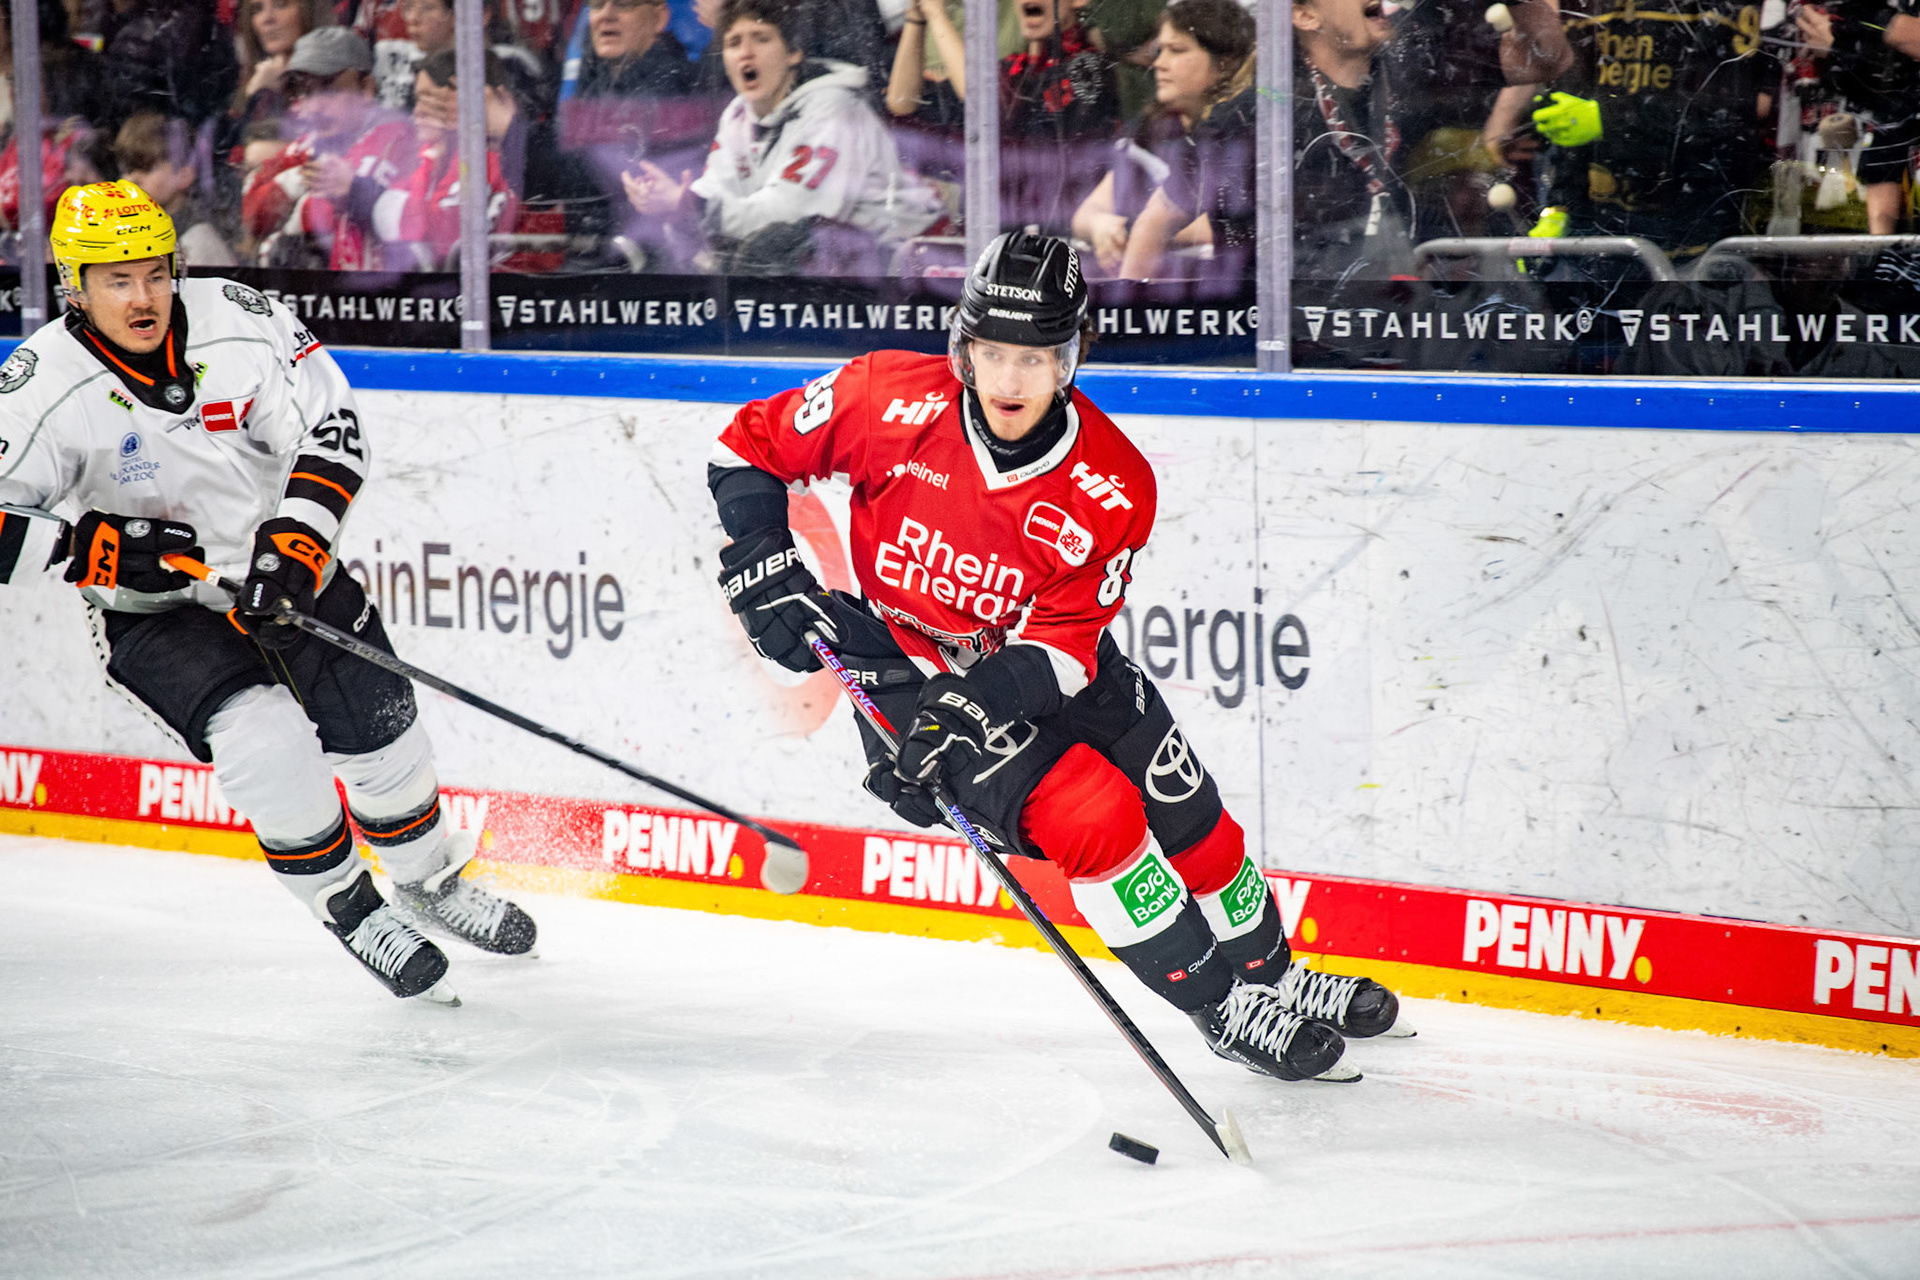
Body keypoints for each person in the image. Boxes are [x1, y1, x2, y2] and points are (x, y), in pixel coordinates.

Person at [708, 232, 1407, 1084]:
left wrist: (982, 697)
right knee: (1095, 818)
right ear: (962, 347)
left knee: (1189, 814)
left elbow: (1066, 647)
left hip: (1040, 663)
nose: (1009, 381)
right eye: (993, 354)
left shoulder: (1114, 480)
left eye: (1035, 358)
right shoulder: (883, 397)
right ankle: (1225, 1009)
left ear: (1073, 355)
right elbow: (746, 445)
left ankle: (1280, 977)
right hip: (904, 667)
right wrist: (763, 553)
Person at [0, 181, 537, 999]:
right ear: (75, 284)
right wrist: (95, 548)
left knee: (379, 722)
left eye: (154, 272)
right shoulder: (43, 382)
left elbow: (333, 426)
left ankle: (430, 881)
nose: (143, 296)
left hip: (279, 568)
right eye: (117, 279)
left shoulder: (238, 317)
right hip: (156, 611)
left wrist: (293, 544)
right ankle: (352, 910)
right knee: (263, 739)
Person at [624, 0, 943, 274]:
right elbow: (718, 193)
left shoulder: (835, 108)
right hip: (834, 270)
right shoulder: (738, 114)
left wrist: (690, 205)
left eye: (761, 39)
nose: (746, 54)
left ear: (793, 53)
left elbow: (792, 216)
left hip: (908, 275)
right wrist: (674, 205)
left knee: (776, 243)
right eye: (734, 43)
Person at [1071, 0, 1251, 276]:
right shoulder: (1151, 129)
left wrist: (1145, 235)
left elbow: (1232, 228)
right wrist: (1102, 226)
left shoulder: (1240, 134)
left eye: (1176, 50)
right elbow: (1088, 211)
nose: (1159, 64)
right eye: (1160, 50)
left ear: (1225, 63)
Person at [242, 27, 414, 269]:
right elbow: (252, 213)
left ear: (366, 89)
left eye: (329, 90)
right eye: (307, 92)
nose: (314, 108)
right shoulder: (311, 142)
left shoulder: (395, 134)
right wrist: (296, 181)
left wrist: (300, 208)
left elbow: (335, 211)